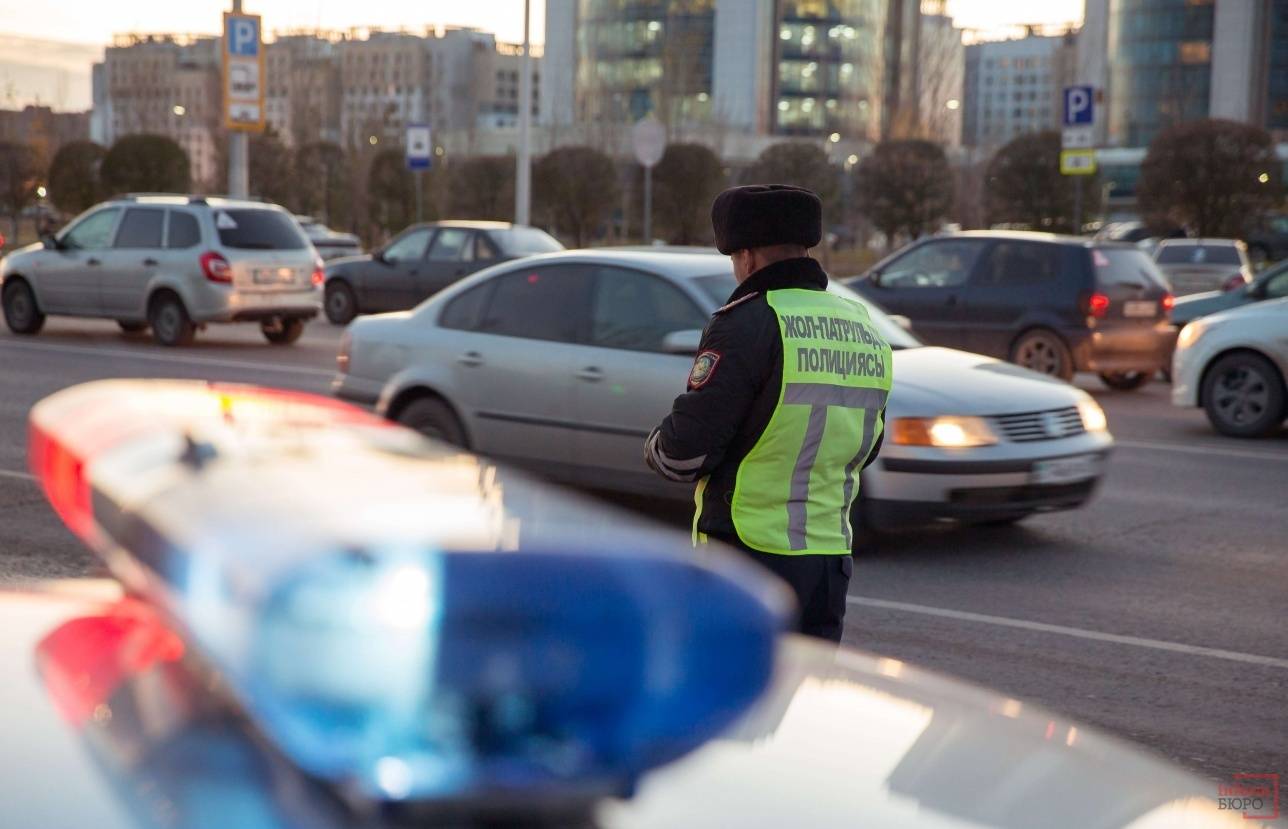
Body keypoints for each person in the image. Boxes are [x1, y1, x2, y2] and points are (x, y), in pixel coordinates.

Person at [644, 184, 893, 642]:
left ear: (748, 257)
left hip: (746, 558)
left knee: (733, 701)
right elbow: (869, 445)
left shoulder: (746, 323)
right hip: (828, 565)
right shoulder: (861, 325)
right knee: (800, 701)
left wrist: (656, 446)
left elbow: (683, 454)